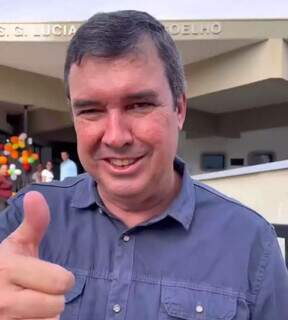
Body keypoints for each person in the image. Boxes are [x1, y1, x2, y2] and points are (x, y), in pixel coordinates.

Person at [0, 10, 287, 320]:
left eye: (139, 105)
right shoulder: (24, 221)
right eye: (91, 110)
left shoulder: (249, 242)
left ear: (179, 109)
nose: (116, 136)